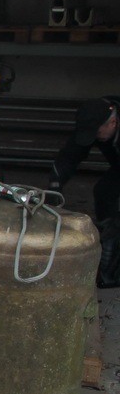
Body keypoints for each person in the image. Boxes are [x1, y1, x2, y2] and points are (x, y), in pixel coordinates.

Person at [48, 95, 119, 287]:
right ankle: (108, 239)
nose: (95, 137)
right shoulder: (96, 121)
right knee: (104, 191)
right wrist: (54, 187)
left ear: (113, 123)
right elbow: (69, 157)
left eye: (97, 133)